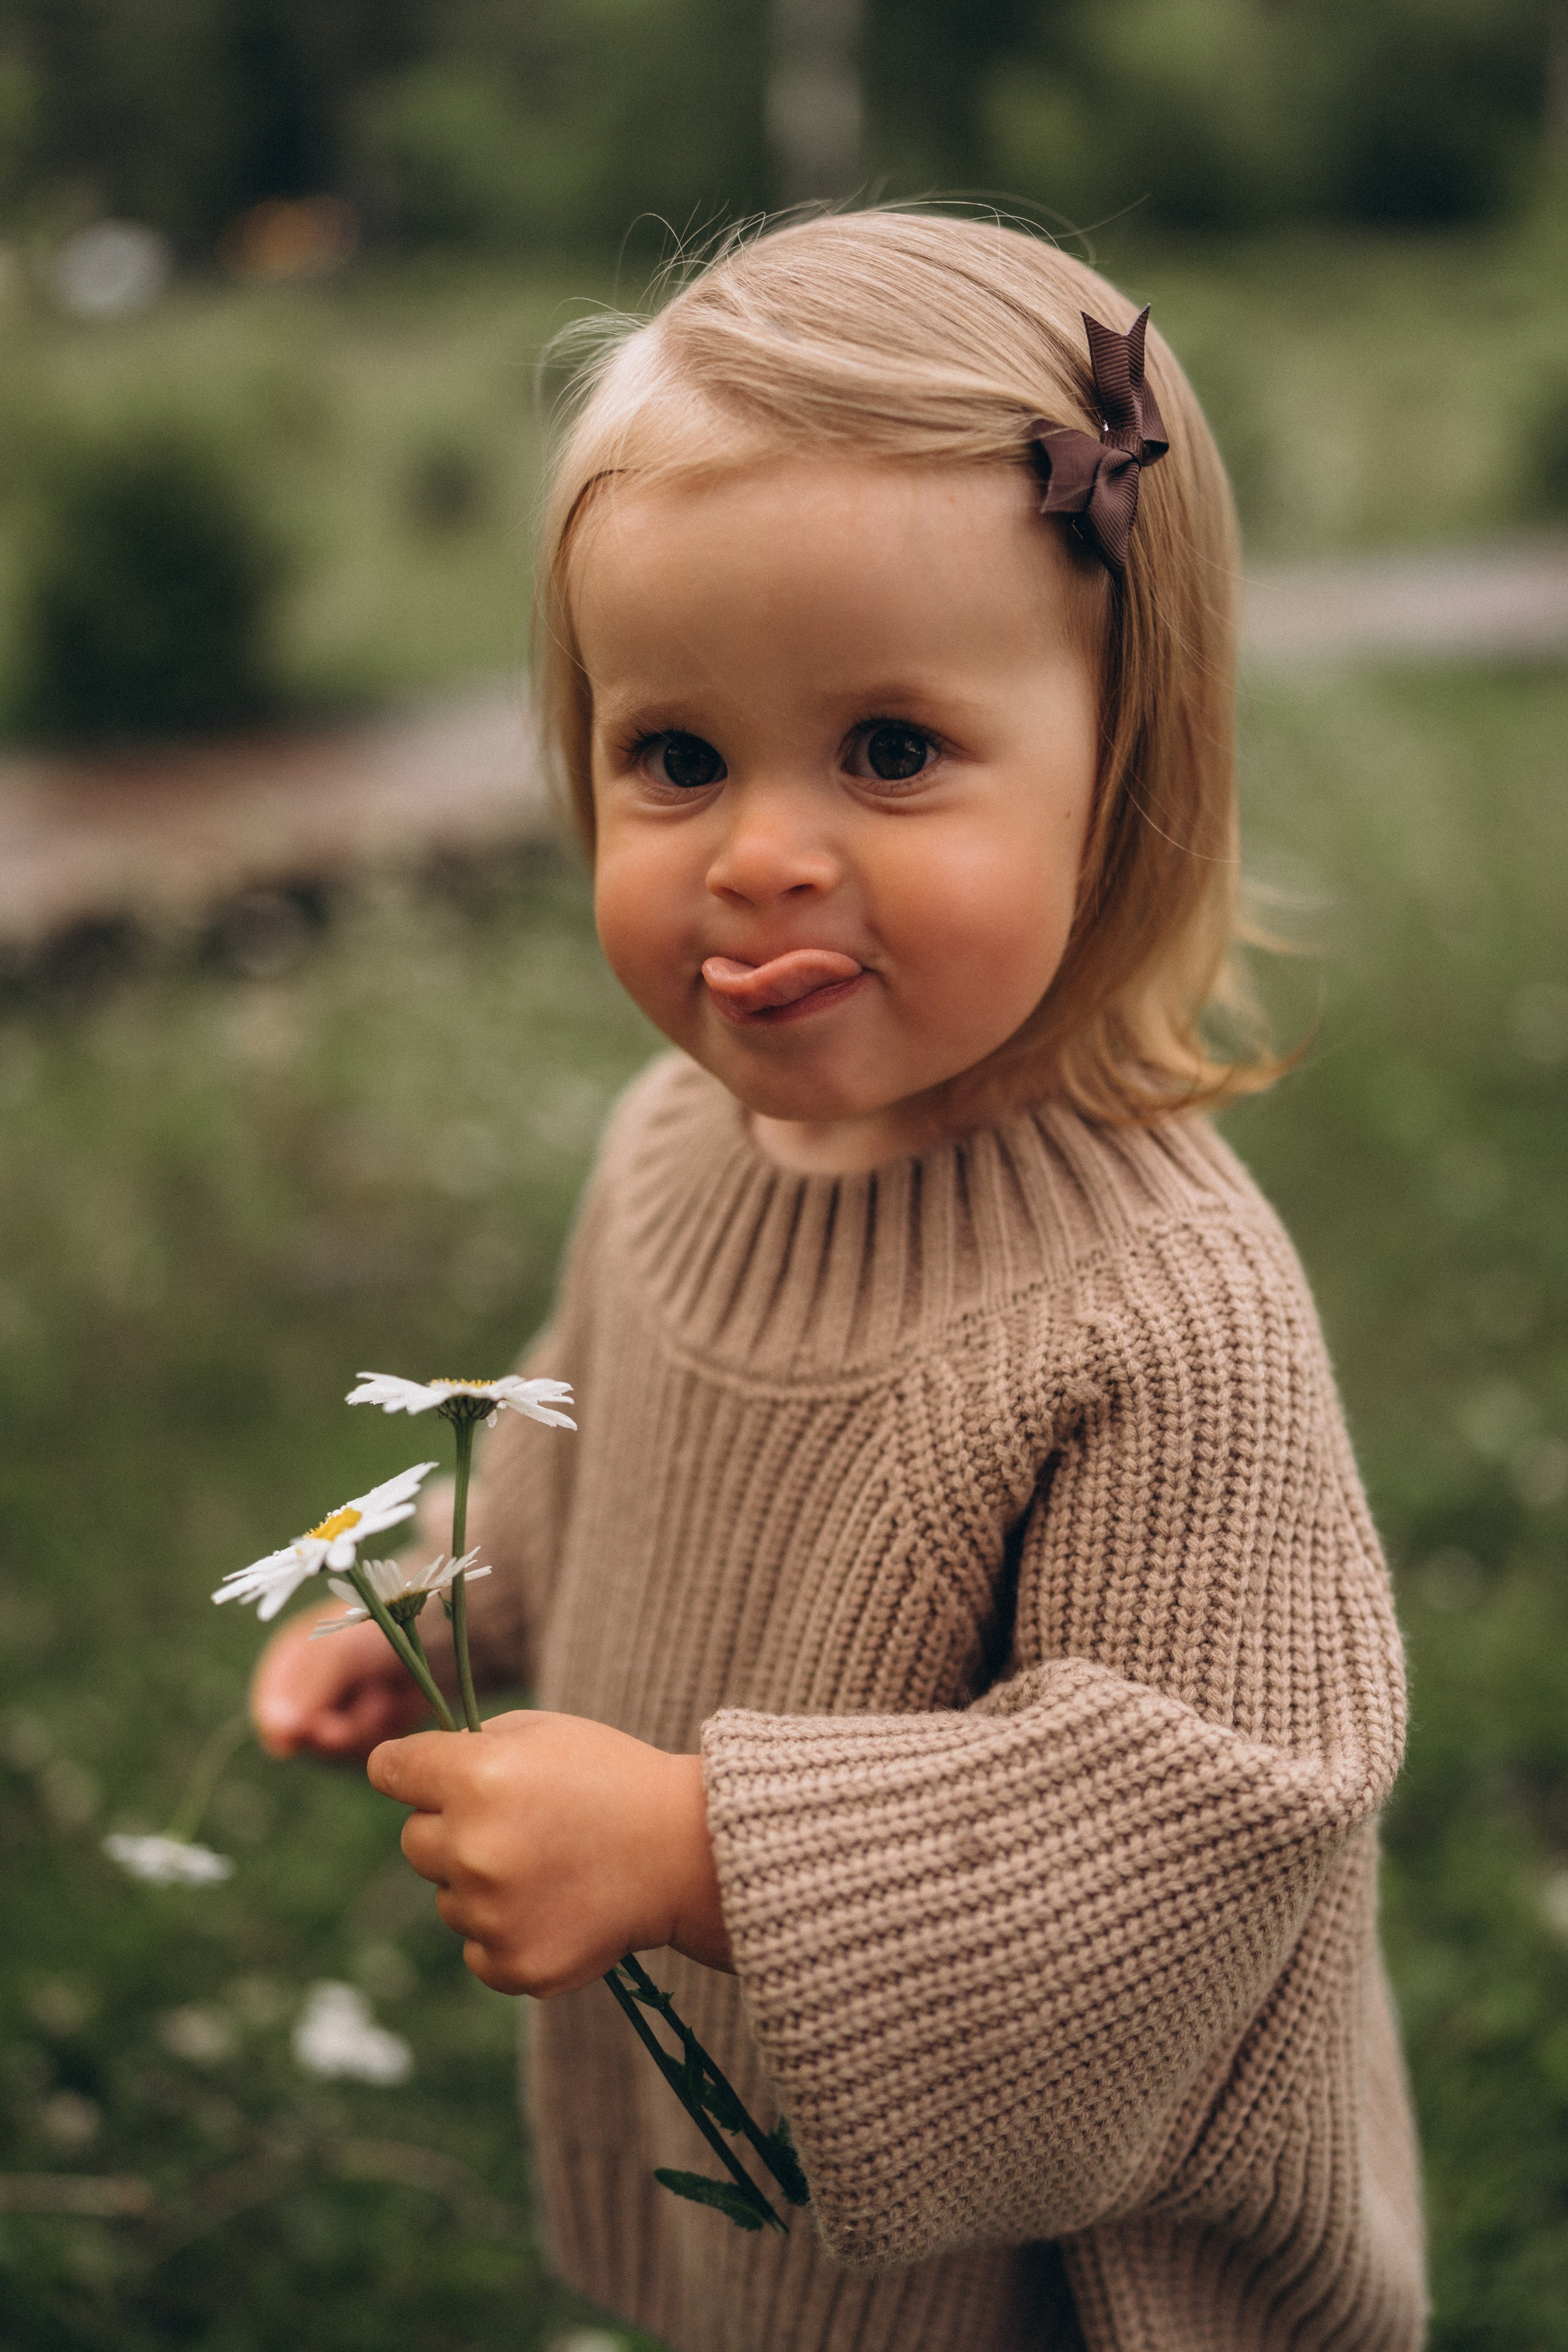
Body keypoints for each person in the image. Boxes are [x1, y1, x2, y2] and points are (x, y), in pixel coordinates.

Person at [250, 211, 1425, 2351]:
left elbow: (1212, 1830)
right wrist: (439, 1587)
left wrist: (703, 1855)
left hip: (1047, 2282)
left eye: (890, 751)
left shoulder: (1162, 1317)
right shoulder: (678, 1150)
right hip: (766, 2185)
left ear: (1125, 763)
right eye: (675, 757)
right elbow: (590, 1445)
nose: (758, 853)